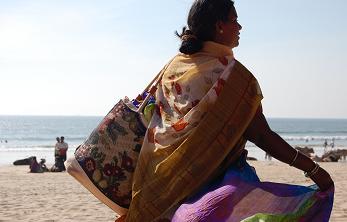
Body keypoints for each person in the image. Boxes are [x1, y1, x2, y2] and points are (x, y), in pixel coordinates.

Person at [116, 1, 334, 221]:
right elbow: (261, 135)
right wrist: (314, 169)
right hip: (212, 184)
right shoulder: (234, 78)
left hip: (155, 181)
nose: (240, 27)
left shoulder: (174, 66)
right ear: (220, 26)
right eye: (235, 21)